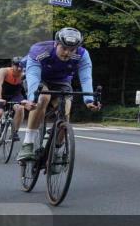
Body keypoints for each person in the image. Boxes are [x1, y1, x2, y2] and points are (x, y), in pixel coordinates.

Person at [18, 27, 101, 164]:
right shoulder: (40, 50)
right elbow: (33, 75)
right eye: (64, 48)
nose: (68, 53)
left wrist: (89, 100)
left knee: (65, 113)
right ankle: (28, 143)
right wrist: (32, 98)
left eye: (72, 49)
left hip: (62, 81)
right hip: (40, 79)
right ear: (56, 43)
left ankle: (56, 150)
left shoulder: (82, 54)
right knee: (43, 98)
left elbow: (86, 78)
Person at [0, 56, 27, 149]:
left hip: (15, 95)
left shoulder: (24, 75)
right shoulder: (3, 71)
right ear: (12, 65)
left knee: (21, 108)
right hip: (0, 94)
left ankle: (15, 133)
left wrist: (29, 99)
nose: (19, 68)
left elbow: (28, 88)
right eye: (17, 65)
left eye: (21, 66)